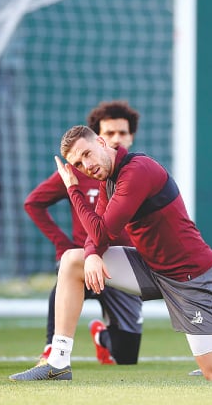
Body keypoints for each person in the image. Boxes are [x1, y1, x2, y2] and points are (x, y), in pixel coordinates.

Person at [9, 125, 212, 381]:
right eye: (76, 164)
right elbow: (98, 237)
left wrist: (72, 189)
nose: (84, 165)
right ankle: (58, 363)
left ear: (102, 142)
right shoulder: (112, 175)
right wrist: (92, 253)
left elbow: (101, 232)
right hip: (152, 268)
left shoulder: (137, 171)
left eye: (86, 154)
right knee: (73, 261)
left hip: (191, 277)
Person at [24, 100, 144, 365]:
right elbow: (32, 203)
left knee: (126, 357)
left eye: (122, 133)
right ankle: (52, 348)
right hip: (85, 258)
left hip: (123, 264)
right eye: (109, 133)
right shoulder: (78, 171)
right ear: (98, 139)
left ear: (132, 136)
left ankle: (103, 338)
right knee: (68, 269)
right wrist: (63, 245)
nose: (116, 139)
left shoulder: (139, 171)